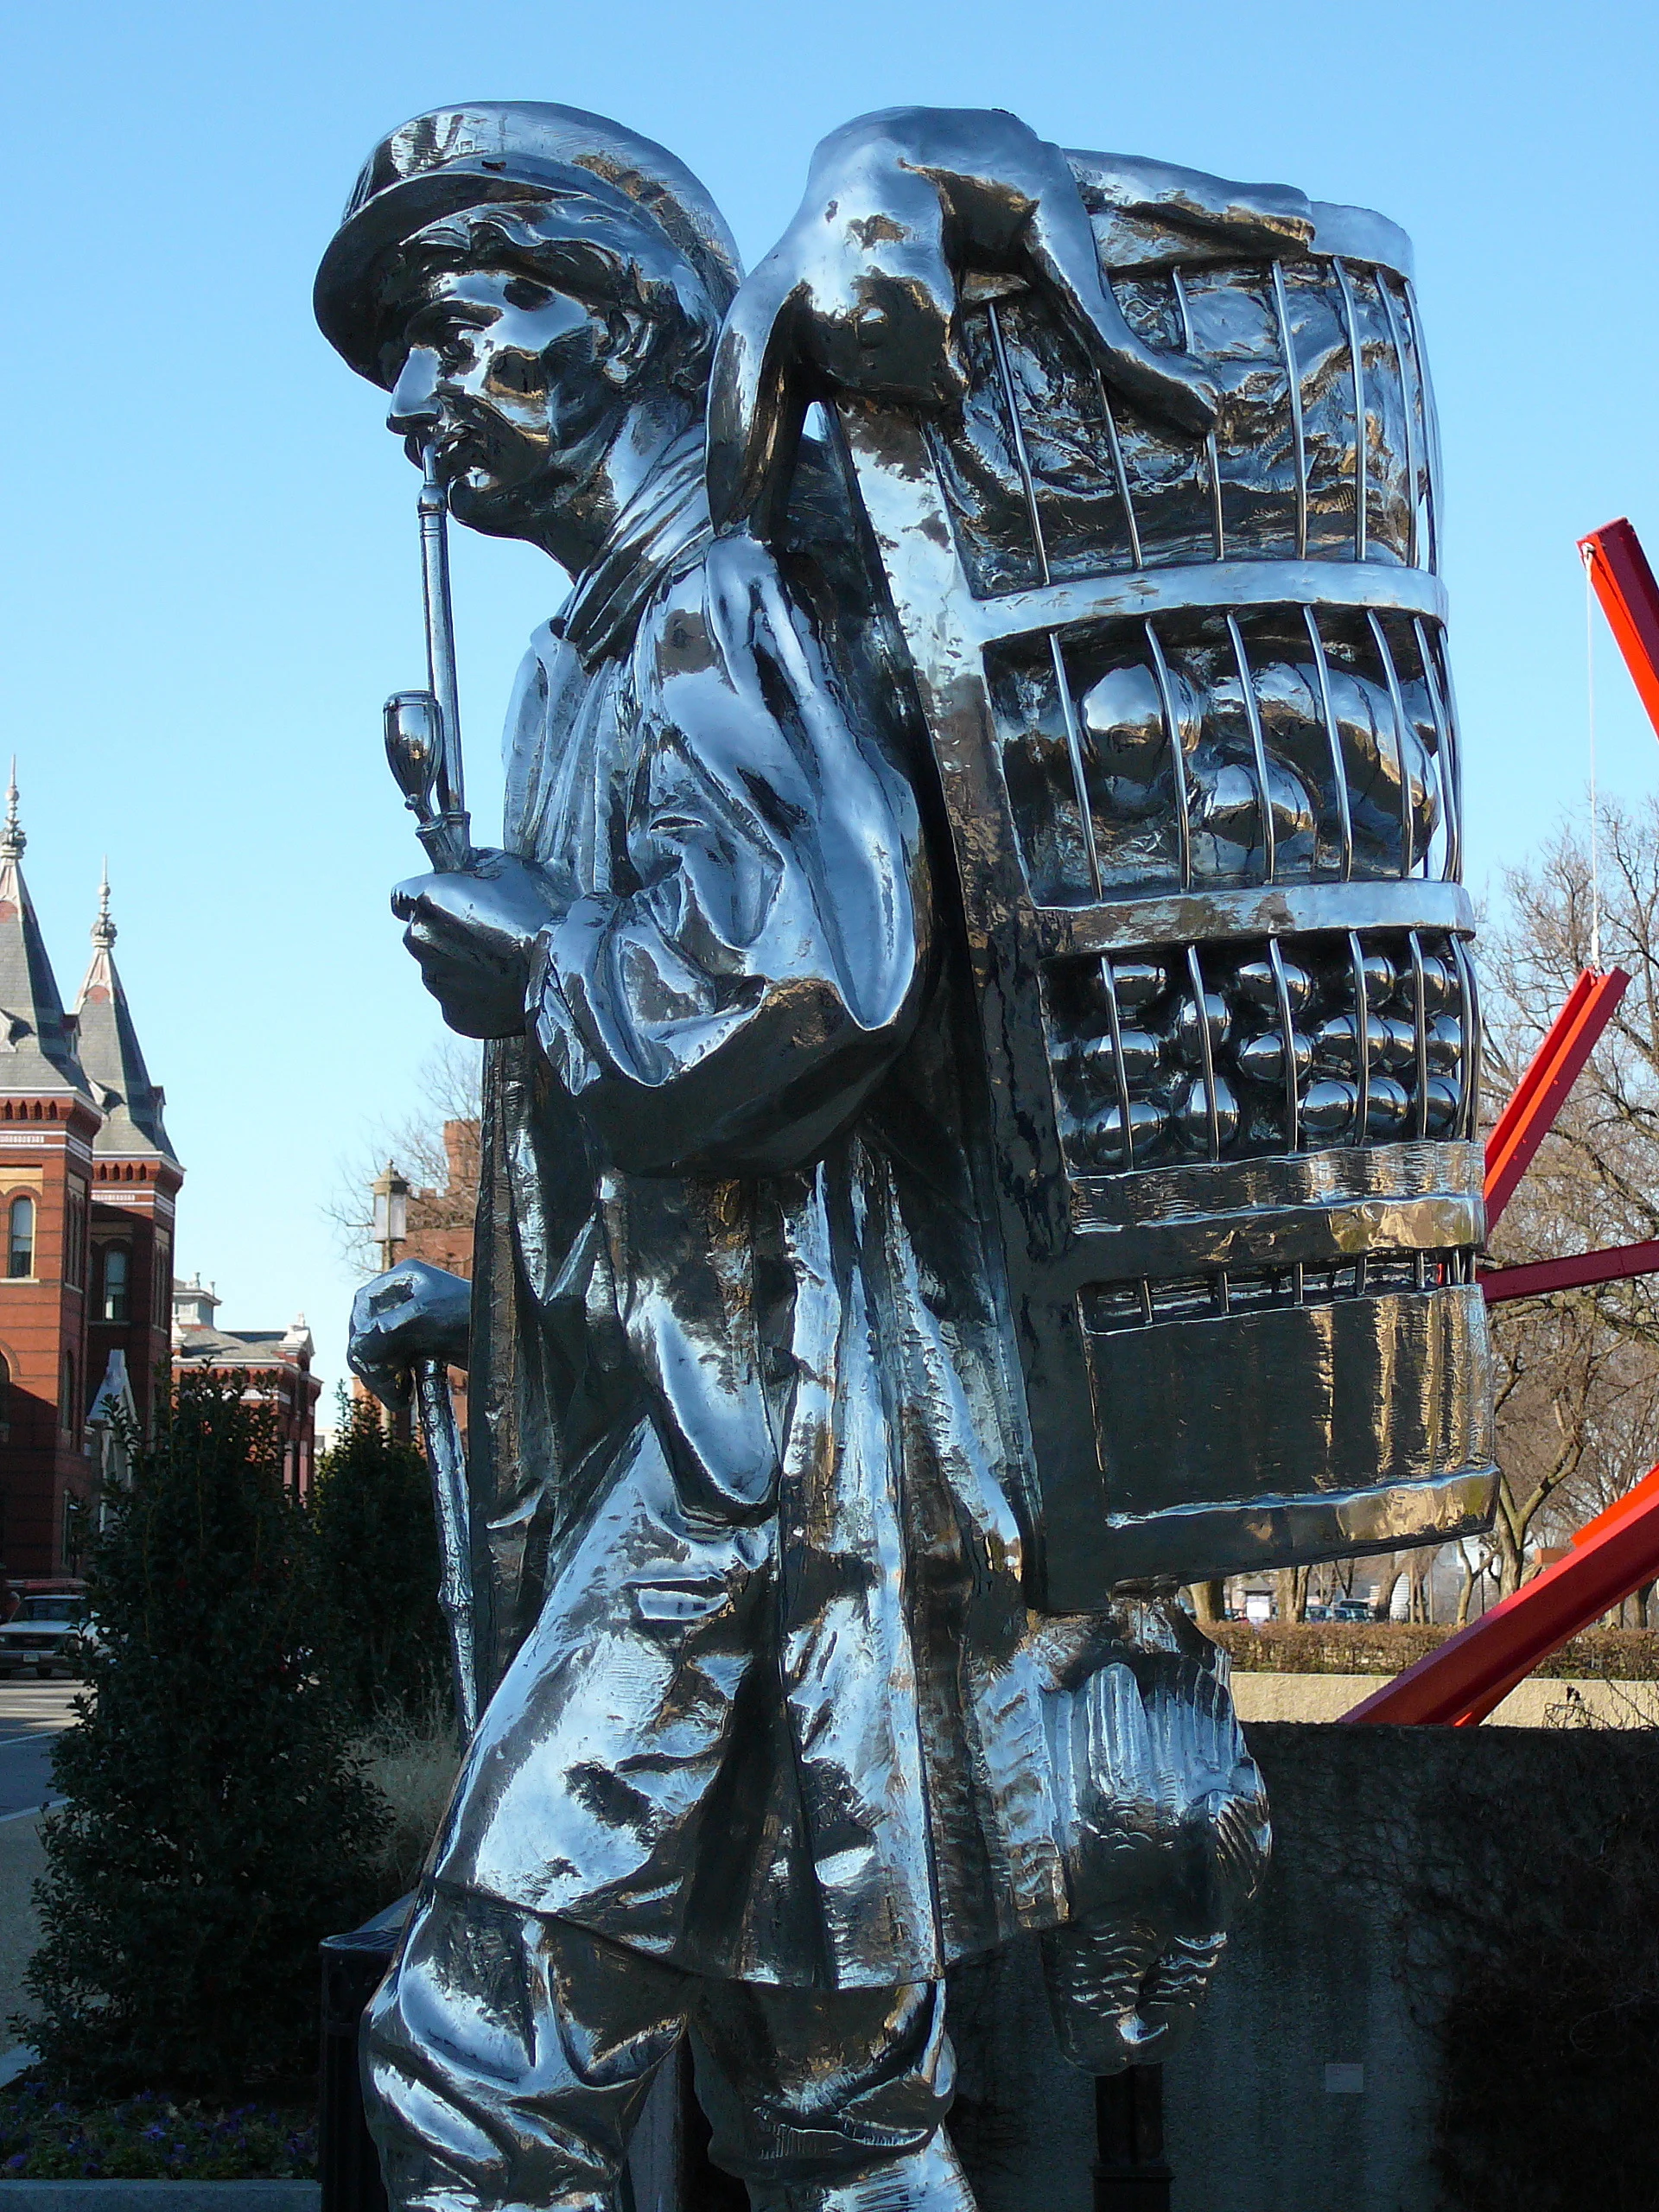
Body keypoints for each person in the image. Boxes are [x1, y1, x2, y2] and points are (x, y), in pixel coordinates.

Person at [318, 103, 1266, 2212]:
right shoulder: (585, 658)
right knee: (840, 2116)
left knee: (476, 2064)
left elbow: (830, 971)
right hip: (755, 1478)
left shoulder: (710, 604)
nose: (410, 398)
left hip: (738, 1500)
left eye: (455, 328)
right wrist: (486, 1302)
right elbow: (709, 1186)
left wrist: (546, 959)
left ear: (611, 326)